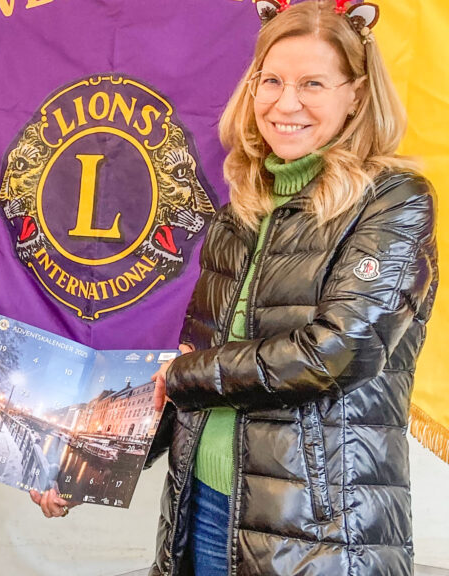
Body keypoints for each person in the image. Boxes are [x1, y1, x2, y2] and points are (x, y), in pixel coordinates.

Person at [143, 1, 438, 574]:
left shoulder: (394, 203)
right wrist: (96, 463)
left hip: (315, 528)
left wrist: (184, 374)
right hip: (200, 509)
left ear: (356, 93)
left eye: (313, 84)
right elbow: (193, 372)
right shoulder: (238, 214)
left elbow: (336, 352)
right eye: (271, 80)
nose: (285, 103)